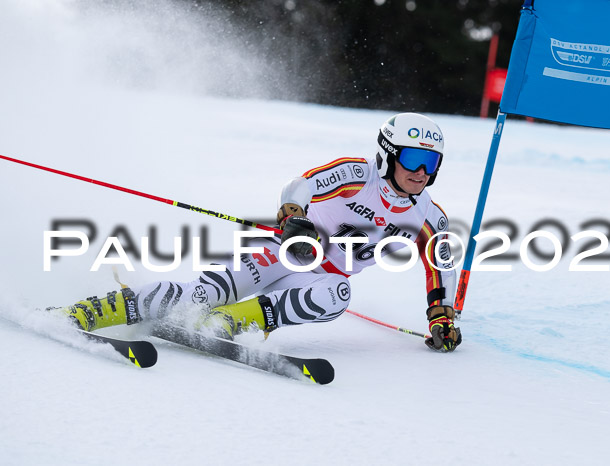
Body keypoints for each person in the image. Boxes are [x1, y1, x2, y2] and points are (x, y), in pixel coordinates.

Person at [52, 113, 462, 352]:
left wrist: (441, 315)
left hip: (320, 280)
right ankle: (88, 311)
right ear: (388, 154)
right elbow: (300, 185)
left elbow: (439, 264)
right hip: (284, 252)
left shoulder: (428, 216)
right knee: (202, 292)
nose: (421, 172)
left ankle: (226, 323)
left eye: (431, 162)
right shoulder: (357, 174)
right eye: (412, 158)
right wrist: (293, 215)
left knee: (339, 296)